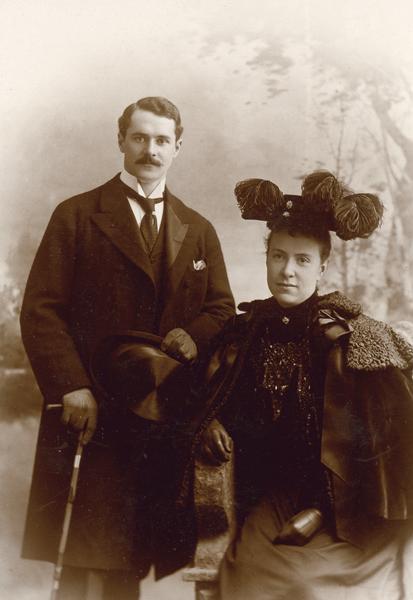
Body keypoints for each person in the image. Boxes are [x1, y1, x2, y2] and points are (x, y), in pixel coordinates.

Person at [20, 96, 235, 599]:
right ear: (121, 141)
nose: (150, 150)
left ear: (178, 147)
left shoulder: (197, 228)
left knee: (130, 558)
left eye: (162, 141)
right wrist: (71, 385)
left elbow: (221, 309)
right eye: (139, 138)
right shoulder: (76, 216)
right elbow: (41, 309)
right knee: (81, 556)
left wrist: (194, 336)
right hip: (90, 410)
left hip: (160, 414)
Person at [190, 172, 413, 599]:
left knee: (310, 585)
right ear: (267, 257)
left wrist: (319, 509)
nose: (287, 272)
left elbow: (386, 449)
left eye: (302, 260)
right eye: (278, 257)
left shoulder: (352, 339)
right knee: (252, 577)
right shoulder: (245, 332)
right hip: (277, 499)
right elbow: (209, 396)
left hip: (350, 511)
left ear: (322, 266)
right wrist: (211, 422)